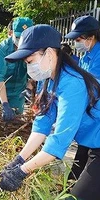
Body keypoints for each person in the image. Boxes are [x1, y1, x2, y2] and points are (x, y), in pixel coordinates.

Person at [0, 24, 100, 200]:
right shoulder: (49, 80)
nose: (29, 68)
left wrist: (22, 171)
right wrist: (20, 159)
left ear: (50, 53)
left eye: (30, 61)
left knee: (78, 196)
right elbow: (42, 125)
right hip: (93, 142)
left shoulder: (73, 84)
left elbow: (59, 141)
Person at [64, 15, 100, 181]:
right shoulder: (86, 56)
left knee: (90, 154)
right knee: (82, 149)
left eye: (79, 38)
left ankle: (77, 187)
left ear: (91, 37)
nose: (76, 42)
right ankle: (71, 183)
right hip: (91, 115)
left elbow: (90, 86)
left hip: (97, 117)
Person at [0, 17, 34, 121]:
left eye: (25, 38)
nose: (21, 42)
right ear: (11, 33)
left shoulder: (34, 49)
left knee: (14, 126)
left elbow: (36, 72)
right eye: (18, 37)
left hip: (18, 94)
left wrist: (29, 88)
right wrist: (5, 104)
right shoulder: (3, 49)